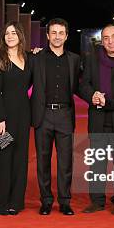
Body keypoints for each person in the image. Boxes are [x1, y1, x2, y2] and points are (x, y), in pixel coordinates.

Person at [79, 23, 114, 215]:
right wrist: (92, 95)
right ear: (102, 41)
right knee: (97, 162)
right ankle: (97, 200)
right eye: (106, 38)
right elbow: (83, 84)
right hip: (99, 118)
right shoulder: (92, 60)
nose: (110, 41)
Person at [31, 18, 81, 216]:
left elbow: (79, 86)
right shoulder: (36, 58)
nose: (57, 36)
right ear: (47, 35)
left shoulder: (75, 59)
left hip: (65, 114)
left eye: (61, 33)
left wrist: (95, 96)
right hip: (42, 115)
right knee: (43, 159)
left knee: (65, 161)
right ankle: (46, 200)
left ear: (66, 36)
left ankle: (65, 201)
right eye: (54, 32)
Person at [0, 21, 33, 215]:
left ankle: (16, 202)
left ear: (20, 36)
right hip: (2, 119)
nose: (10, 36)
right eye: (7, 33)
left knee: (20, 158)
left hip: (23, 116)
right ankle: (2, 204)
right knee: (3, 159)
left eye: (14, 33)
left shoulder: (28, 58)